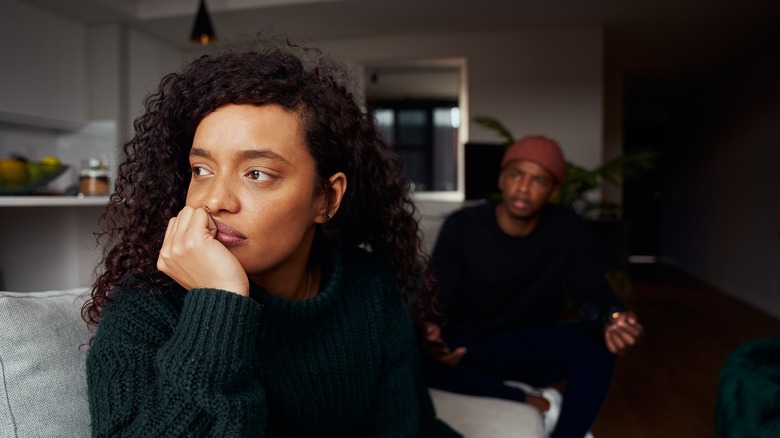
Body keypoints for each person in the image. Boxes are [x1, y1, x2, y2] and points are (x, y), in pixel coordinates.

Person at [82, 37, 460, 437]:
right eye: (201, 170)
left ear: (326, 198)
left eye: (257, 173)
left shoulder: (368, 287)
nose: (214, 200)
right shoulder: (146, 303)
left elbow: (404, 427)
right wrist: (218, 306)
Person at [421, 135, 644, 438]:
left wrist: (614, 319)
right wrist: (431, 331)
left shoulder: (568, 229)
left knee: (597, 342)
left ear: (552, 192)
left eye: (538, 180)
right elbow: (438, 296)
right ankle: (526, 399)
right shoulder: (463, 226)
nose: (524, 188)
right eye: (516, 174)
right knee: (413, 351)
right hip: (470, 348)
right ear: (502, 179)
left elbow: (593, 294)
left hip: (531, 346)